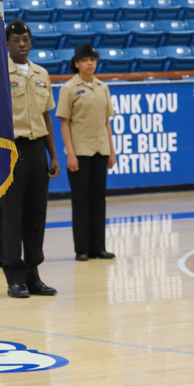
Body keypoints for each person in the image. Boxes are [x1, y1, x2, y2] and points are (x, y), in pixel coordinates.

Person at [0, 20, 60, 299]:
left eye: (25, 40)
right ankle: (14, 277)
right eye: (16, 40)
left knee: (37, 214)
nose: (22, 44)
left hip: (37, 151)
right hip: (13, 150)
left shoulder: (41, 73)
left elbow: (47, 115)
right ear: (7, 44)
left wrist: (54, 155)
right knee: (12, 215)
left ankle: (34, 275)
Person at [57, 42, 117, 262]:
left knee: (98, 200)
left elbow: (106, 122)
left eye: (92, 59)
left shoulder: (103, 87)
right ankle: (81, 249)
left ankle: (98, 247)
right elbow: (64, 123)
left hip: (100, 151)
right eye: (85, 60)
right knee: (81, 201)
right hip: (80, 153)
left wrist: (112, 151)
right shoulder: (69, 88)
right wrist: (70, 154)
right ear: (76, 63)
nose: (90, 63)